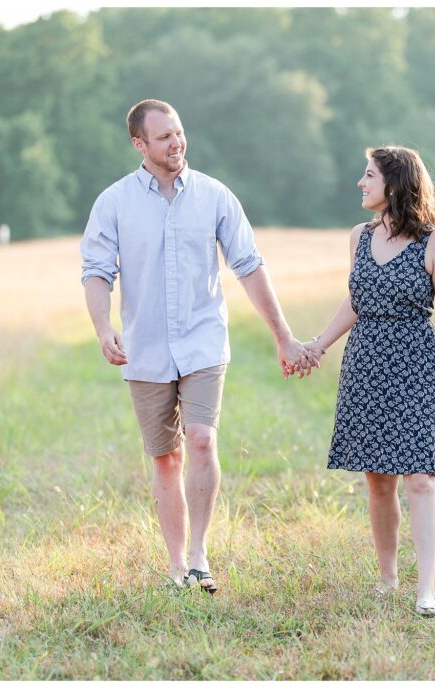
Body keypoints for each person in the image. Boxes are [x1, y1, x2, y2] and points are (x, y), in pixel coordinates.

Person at [80, 99, 316, 594]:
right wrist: (104, 329)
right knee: (166, 458)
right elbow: (97, 272)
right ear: (139, 145)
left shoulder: (215, 197)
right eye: (164, 136)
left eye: (179, 132)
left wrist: (284, 337)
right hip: (144, 349)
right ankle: (175, 567)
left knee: (202, 439)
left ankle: (199, 556)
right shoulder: (114, 202)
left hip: (204, 342)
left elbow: (249, 266)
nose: (177, 143)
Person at [303, 146, 435, 617]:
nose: (361, 183)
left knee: (420, 479)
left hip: (416, 370)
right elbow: (355, 301)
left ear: (394, 184)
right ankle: (387, 579)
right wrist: (318, 345)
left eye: (368, 175)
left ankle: (426, 591)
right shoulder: (359, 236)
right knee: (378, 481)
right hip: (365, 368)